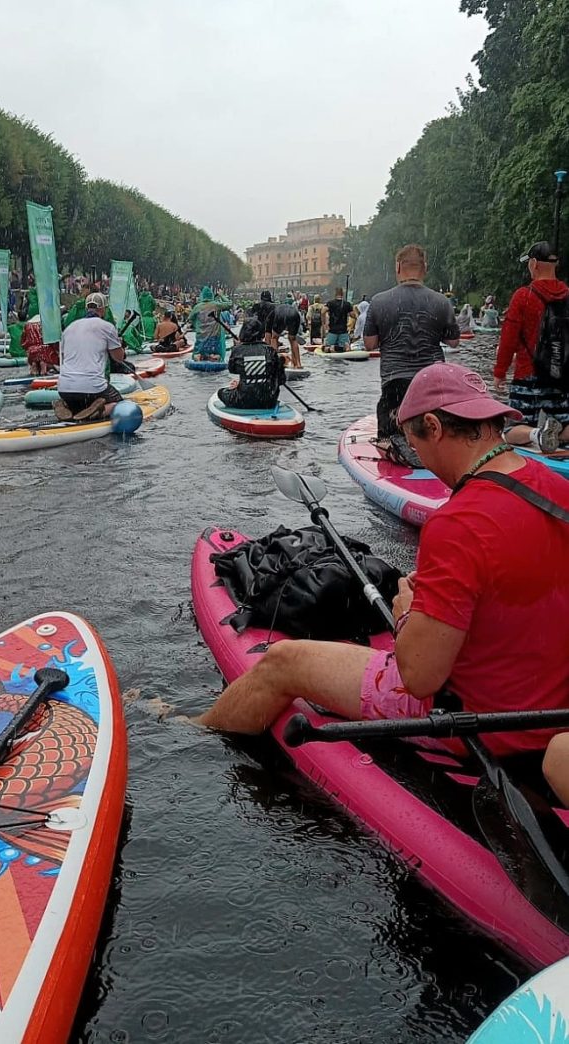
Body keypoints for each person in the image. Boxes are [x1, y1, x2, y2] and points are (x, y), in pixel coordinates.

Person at [192, 362, 569, 802]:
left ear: (433, 425)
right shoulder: (556, 489)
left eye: (415, 446)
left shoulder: (458, 524)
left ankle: (194, 733)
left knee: (282, 662)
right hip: (552, 708)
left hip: (481, 722)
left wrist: (407, 609)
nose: (418, 459)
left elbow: (421, 677)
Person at [364, 244, 460, 441]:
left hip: (394, 382)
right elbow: (454, 341)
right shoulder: (441, 302)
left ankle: (391, 447)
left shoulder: (379, 301)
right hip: (432, 380)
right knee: (432, 435)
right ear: (424, 267)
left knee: (390, 440)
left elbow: (370, 344)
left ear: (398, 267)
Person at [493, 241, 569, 453]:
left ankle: (536, 434)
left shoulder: (523, 296)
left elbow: (508, 339)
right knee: (565, 422)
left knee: (509, 432)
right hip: (560, 376)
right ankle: (555, 435)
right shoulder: (567, 295)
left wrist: (500, 372)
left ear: (534, 264)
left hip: (528, 374)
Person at [55, 292, 126, 421]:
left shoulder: (69, 328)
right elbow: (119, 358)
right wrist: (119, 345)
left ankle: (68, 406)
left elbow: (63, 358)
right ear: (102, 309)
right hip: (93, 387)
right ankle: (99, 412)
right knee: (120, 404)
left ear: (87, 308)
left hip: (64, 389)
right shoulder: (107, 327)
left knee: (78, 400)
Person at [218, 318, 284, 410]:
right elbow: (281, 380)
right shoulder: (270, 350)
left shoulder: (238, 350)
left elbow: (232, 369)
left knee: (221, 392)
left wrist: (237, 348)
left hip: (243, 400)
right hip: (268, 400)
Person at [188, 286, 225, 360]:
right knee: (215, 353)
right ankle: (213, 357)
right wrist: (222, 295)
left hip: (201, 336)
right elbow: (229, 303)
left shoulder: (197, 307)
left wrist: (195, 325)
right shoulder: (216, 305)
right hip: (214, 336)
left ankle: (198, 357)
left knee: (197, 353)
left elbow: (190, 318)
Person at [266, 300, 303, 368]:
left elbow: (267, 339)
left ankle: (275, 363)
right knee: (292, 339)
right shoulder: (275, 310)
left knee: (274, 338)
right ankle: (298, 364)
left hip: (281, 315)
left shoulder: (269, 317)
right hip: (294, 314)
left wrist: (268, 356)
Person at [323, 288, 354, 353]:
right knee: (346, 347)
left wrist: (324, 323)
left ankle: (331, 348)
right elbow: (352, 315)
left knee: (325, 348)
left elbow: (323, 311)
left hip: (332, 330)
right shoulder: (347, 304)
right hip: (343, 330)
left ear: (335, 294)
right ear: (342, 294)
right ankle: (344, 348)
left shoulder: (330, 303)